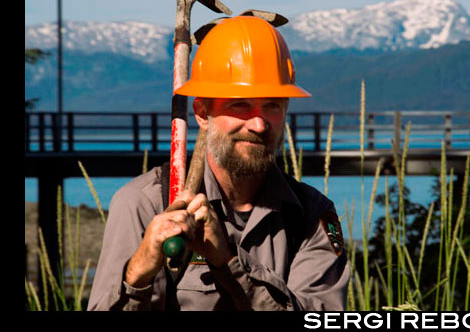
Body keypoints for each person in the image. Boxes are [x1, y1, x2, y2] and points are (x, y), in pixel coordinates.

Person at [87, 16, 350, 311]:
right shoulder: (144, 204)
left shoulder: (312, 216)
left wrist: (227, 260)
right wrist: (137, 276)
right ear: (201, 112)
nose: (259, 125)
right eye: (240, 105)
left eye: (272, 106)